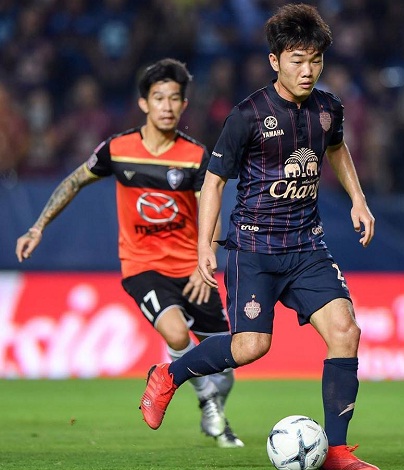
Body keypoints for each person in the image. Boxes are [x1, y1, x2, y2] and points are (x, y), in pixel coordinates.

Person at [139, 5, 380, 470]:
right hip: (254, 248)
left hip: (306, 246)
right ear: (275, 61)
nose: (307, 71)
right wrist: (205, 245)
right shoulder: (248, 115)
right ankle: (168, 374)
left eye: (315, 60)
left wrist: (358, 199)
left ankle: (336, 451)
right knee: (251, 347)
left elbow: (336, 149)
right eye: (297, 60)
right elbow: (214, 181)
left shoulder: (328, 109)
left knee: (346, 332)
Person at [15, 58, 244, 448]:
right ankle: (207, 403)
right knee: (175, 332)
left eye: (174, 98)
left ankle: (214, 401)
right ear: (143, 103)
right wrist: (38, 226)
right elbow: (74, 181)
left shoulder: (194, 156)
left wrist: (204, 260)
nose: (167, 106)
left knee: (227, 362)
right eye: (159, 98)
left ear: (184, 105)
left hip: (191, 269)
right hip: (142, 267)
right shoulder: (119, 149)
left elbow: (211, 210)